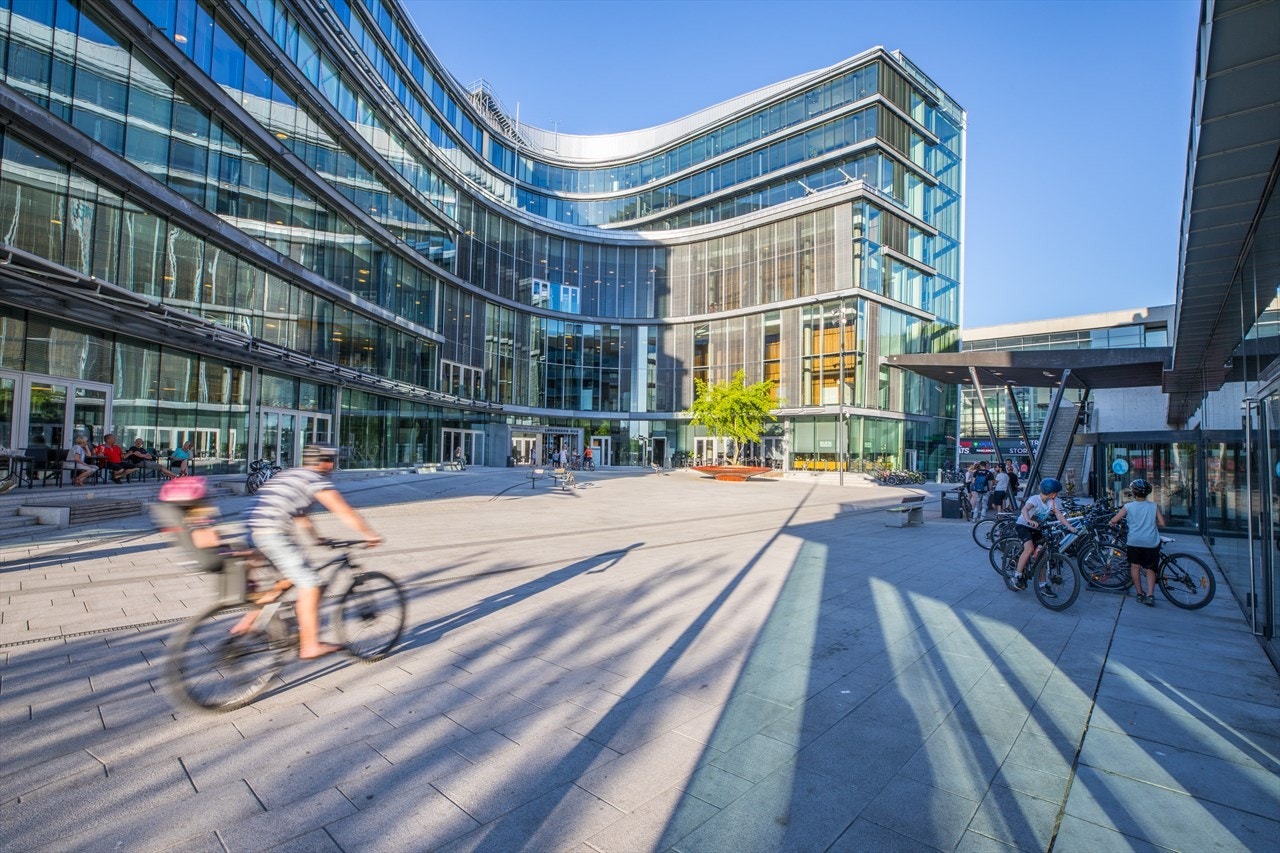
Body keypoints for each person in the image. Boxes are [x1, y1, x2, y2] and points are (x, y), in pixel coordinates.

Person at [245, 444, 381, 659]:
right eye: (332, 460)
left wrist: (316, 538)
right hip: (273, 534)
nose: (333, 465)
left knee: (288, 579)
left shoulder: (293, 474)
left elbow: (300, 514)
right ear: (325, 461)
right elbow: (343, 511)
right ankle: (310, 645)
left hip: (254, 529)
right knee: (312, 584)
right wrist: (369, 534)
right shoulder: (316, 479)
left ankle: (248, 622)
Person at [1011, 477, 1079, 592]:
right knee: (1029, 548)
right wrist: (1028, 520)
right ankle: (1017, 576)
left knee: (1042, 555)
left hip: (1037, 528)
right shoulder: (1034, 499)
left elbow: (1059, 515)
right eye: (1056, 493)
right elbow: (1024, 510)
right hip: (1023, 526)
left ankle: (1042, 585)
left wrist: (1070, 527)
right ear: (1052, 493)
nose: (1057, 495)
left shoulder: (1050, 502)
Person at [1109, 478, 1166, 606]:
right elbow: (1162, 523)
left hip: (1134, 541)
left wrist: (1110, 523)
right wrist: (1152, 524)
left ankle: (1140, 593)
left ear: (1133, 493)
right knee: (1150, 569)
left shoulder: (1128, 506)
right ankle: (1150, 595)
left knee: (1135, 566)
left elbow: (1114, 520)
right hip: (1151, 542)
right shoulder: (1153, 506)